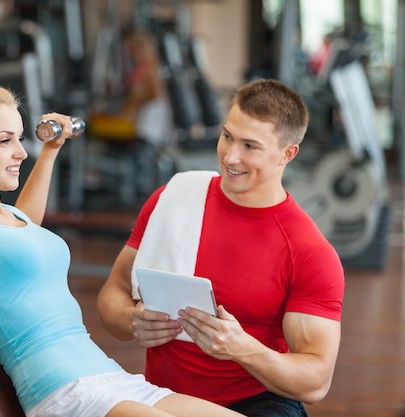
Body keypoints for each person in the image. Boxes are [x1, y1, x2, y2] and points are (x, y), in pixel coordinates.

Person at [0, 82, 244, 417]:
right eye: (5, 141)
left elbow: (29, 223)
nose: (22, 152)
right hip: (65, 392)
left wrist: (53, 149)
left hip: (110, 377)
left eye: (19, 139)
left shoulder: (11, 218)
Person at [97, 79, 345, 417]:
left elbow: (315, 383)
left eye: (250, 146)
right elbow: (114, 291)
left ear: (287, 154)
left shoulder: (308, 251)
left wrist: (242, 349)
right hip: (162, 399)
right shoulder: (173, 198)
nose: (230, 156)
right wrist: (131, 319)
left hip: (255, 404)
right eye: (227, 136)